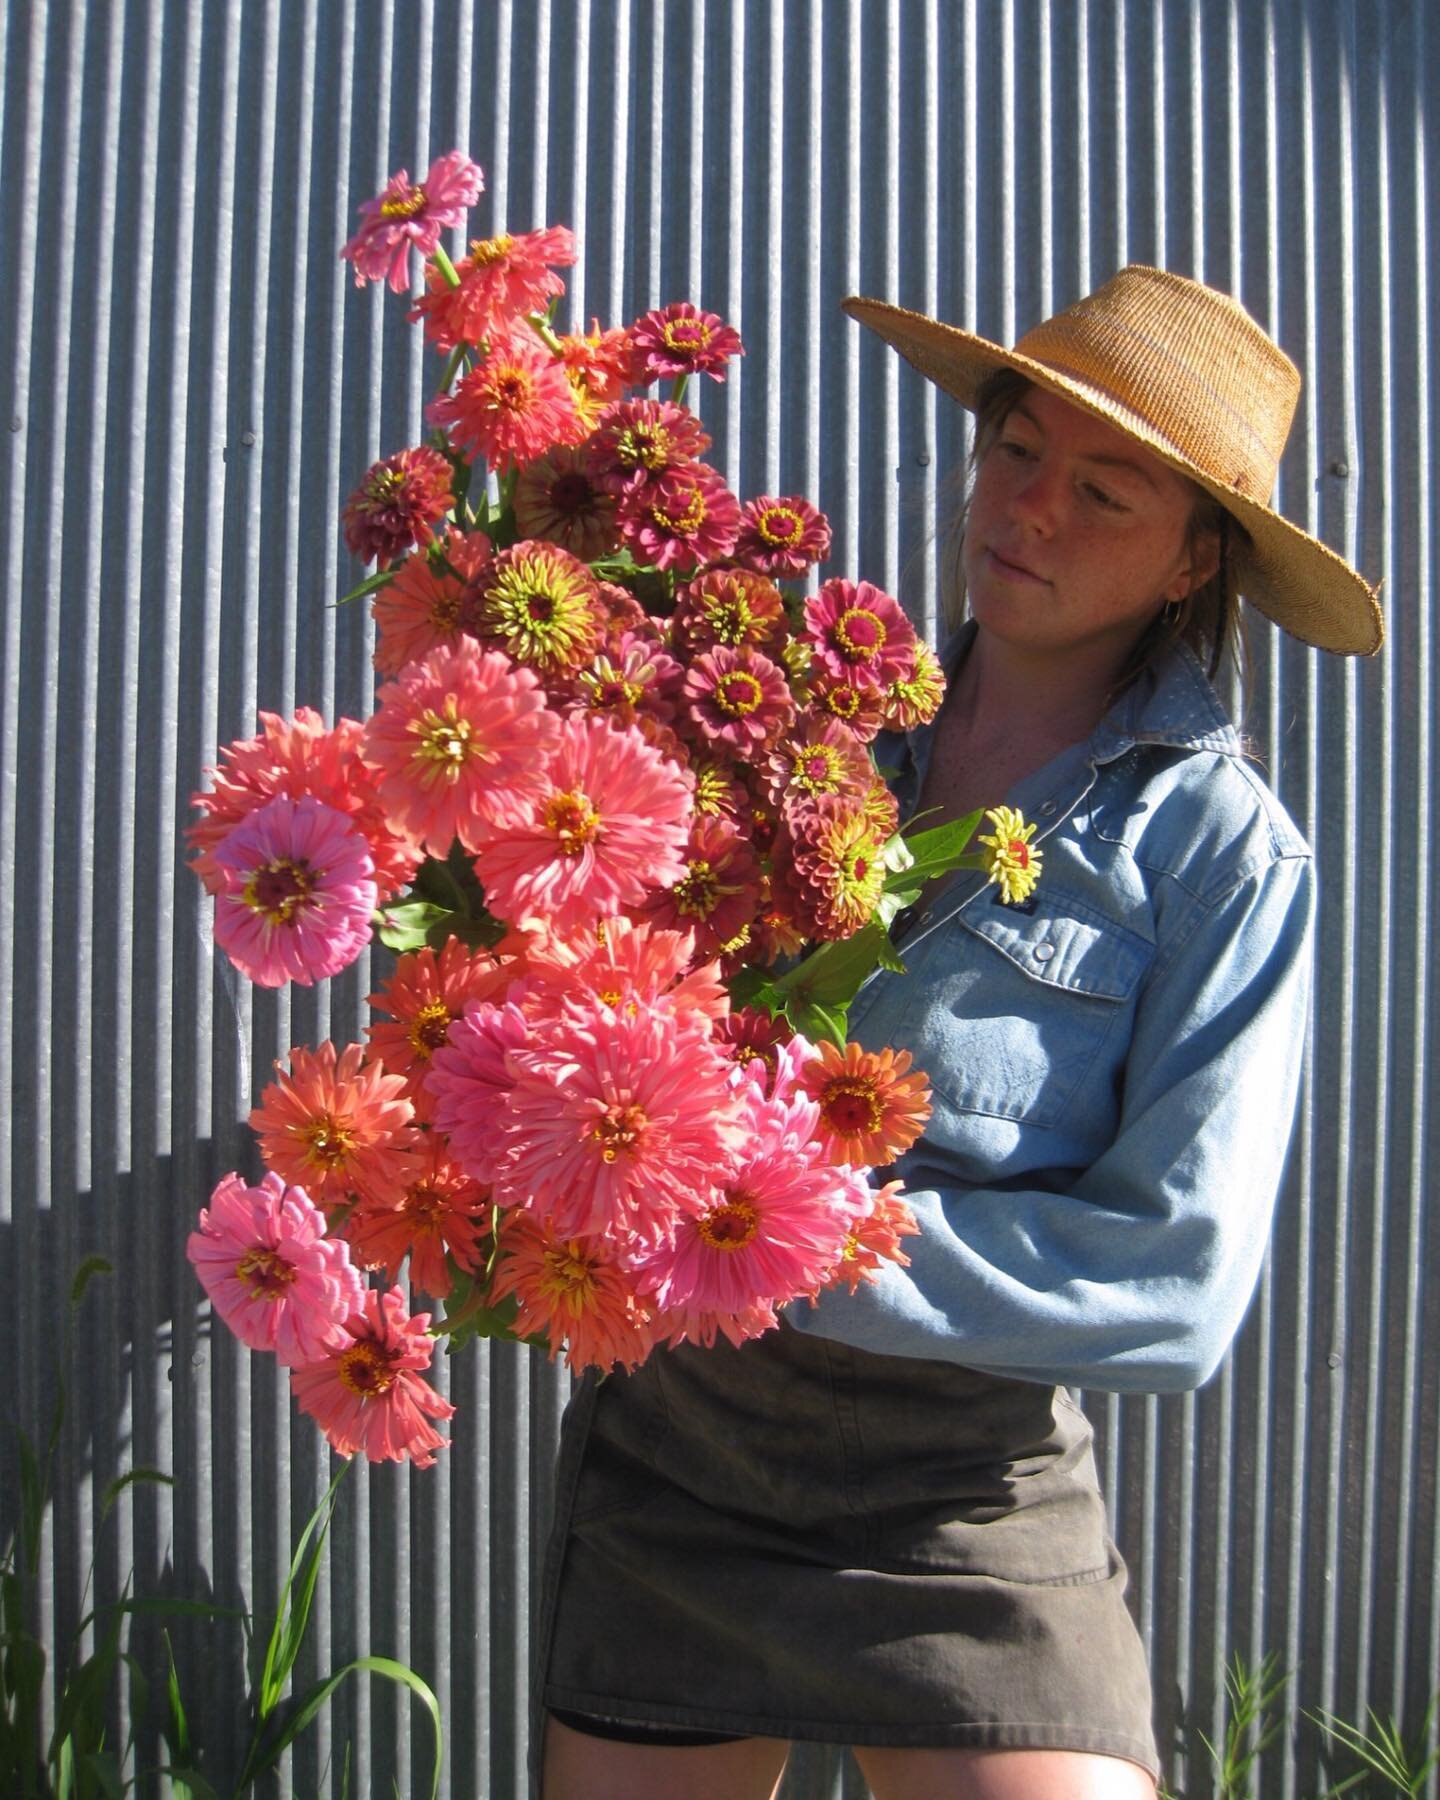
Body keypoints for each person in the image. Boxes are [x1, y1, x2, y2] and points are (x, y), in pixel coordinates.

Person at [532, 266, 1383, 1799]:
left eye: (1106, 491)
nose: (1030, 509)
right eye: (1017, 451)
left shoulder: (1219, 856)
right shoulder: (801, 718)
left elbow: (1174, 1284)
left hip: (967, 1497)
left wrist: (793, 1231)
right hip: (682, 1458)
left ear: (1198, 561)